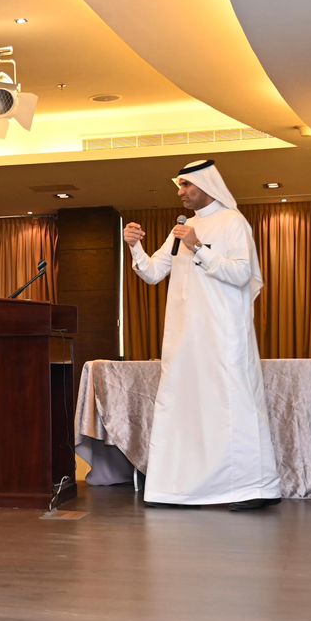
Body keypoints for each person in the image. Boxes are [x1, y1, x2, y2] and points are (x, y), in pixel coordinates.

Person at [122, 158, 282, 511]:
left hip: (223, 334)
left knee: (232, 404)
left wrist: (199, 248)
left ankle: (251, 488)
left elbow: (242, 274)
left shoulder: (232, 221)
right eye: (179, 186)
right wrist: (134, 246)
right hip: (184, 336)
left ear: (207, 185)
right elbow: (153, 273)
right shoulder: (183, 227)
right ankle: (178, 489)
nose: (181, 192)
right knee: (183, 404)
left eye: (186, 185)